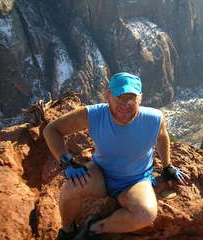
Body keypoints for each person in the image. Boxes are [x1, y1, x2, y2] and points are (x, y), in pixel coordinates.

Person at [43, 72, 189, 240]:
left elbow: (162, 136)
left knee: (145, 215)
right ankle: (67, 231)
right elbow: (51, 130)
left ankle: (93, 228)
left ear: (140, 99)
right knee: (70, 188)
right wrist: (66, 162)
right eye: (119, 98)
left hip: (136, 180)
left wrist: (167, 166)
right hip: (101, 173)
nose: (125, 105)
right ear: (108, 96)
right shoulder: (94, 115)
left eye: (131, 99)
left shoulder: (154, 118)